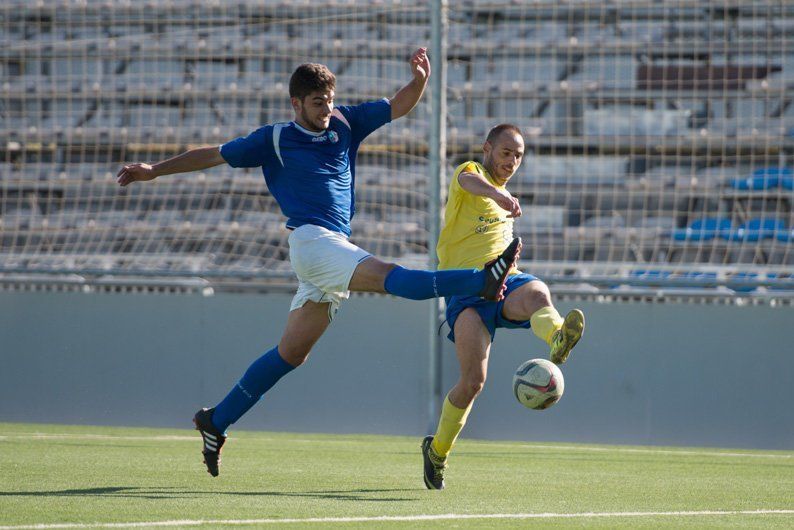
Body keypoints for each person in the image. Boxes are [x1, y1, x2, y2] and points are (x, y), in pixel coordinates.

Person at [116, 48, 521, 477]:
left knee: (291, 353)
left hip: (333, 246)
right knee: (391, 277)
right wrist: (155, 170)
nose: (326, 109)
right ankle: (480, 281)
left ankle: (215, 420)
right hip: (311, 242)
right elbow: (213, 154)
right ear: (296, 104)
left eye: (329, 100)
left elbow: (397, 106)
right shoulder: (272, 138)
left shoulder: (346, 122)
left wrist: (420, 81)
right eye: (317, 103)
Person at [420, 124, 585, 490]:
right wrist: (498, 196)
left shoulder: (505, 198)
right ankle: (437, 452)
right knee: (472, 383)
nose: (512, 161)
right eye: (506, 152)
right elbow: (471, 184)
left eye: (519, 155)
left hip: (505, 283)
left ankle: (558, 337)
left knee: (539, 293)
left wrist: (507, 258)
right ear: (488, 149)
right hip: (466, 294)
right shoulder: (471, 175)